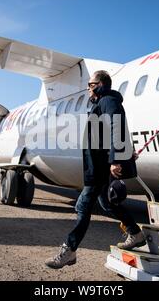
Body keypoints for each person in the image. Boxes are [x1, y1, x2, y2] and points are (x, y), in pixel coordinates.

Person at [45, 70, 145, 269]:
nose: (88, 89)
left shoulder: (108, 100)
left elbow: (117, 126)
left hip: (100, 168)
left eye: (90, 85)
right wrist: (125, 151)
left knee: (82, 207)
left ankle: (69, 251)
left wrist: (117, 159)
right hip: (99, 166)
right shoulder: (101, 103)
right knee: (108, 205)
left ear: (100, 84)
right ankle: (135, 233)